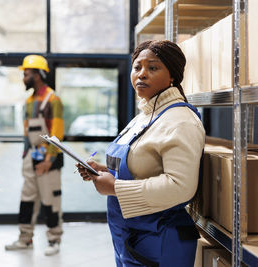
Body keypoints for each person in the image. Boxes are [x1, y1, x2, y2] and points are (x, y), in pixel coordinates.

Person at [77, 40, 205, 266]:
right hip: (132, 237)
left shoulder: (180, 121)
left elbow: (181, 187)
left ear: (172, 76)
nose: (142, 74)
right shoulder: (144, 116)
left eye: (153, 68)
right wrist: (103, 171)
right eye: (137, 67)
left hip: (160, 241)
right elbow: (142, 166)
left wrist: (114, 187)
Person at [5, 55, 64, 256]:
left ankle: (54, 239)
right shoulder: (30, 100)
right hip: (31, 158)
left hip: (47, 160)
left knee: (50, 200)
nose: (23, 78)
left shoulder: (53, 100)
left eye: (26, 74)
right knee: (27, 199)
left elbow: (56, 134)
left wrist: (49, 160)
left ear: (38, 75)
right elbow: (26, 132)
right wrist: (25, 156)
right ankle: (25, 238)